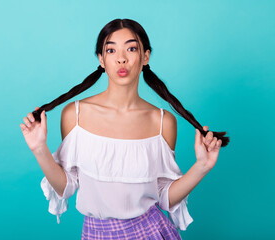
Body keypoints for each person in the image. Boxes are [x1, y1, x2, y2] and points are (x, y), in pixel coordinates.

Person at [20, 18, 229, 240]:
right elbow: (67, 187)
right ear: (101, 59)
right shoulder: (75, 115)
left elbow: (163, 196)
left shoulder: (162, 122)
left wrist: (202, 166)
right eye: (111, 50)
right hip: (94, 234)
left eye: (131, 48)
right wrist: (39, 148)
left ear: (145, 57)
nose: (121, 59)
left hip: (150, 232)